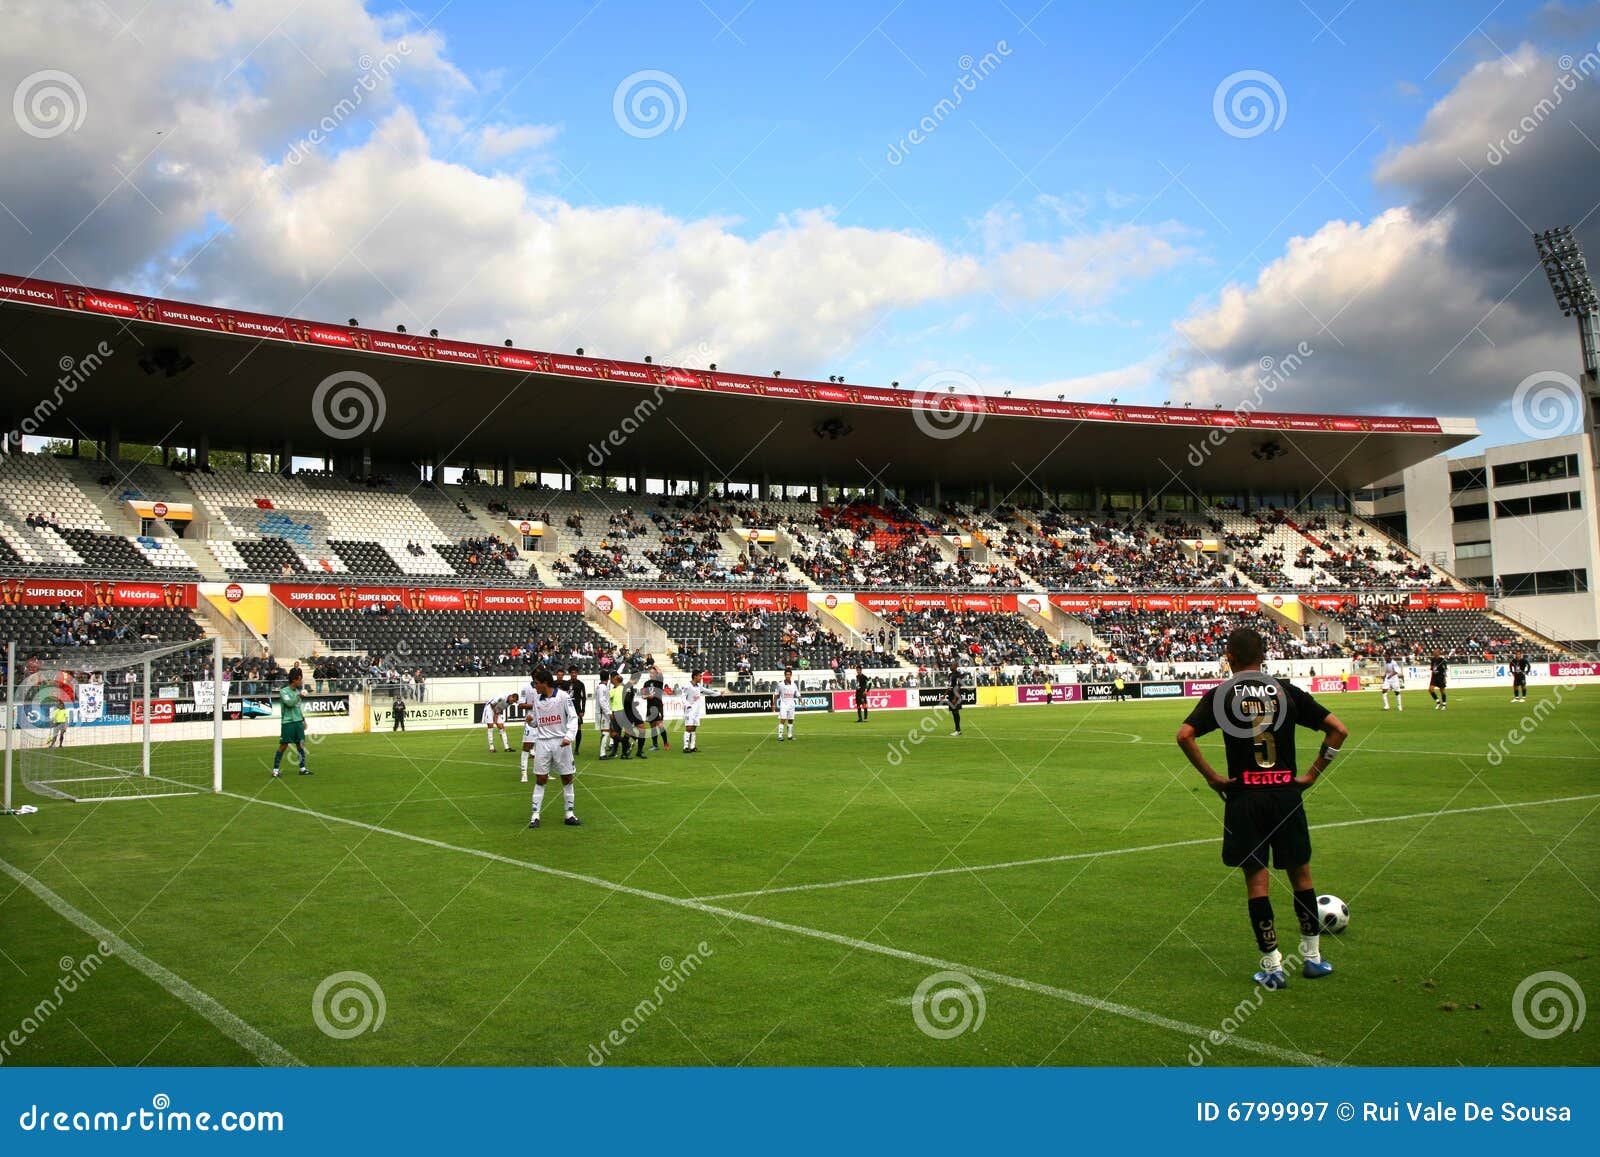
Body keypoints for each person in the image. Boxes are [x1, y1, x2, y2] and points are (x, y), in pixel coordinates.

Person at [1175, 627, 1348, 989]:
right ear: (1264, 655)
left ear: (1229, 657)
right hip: (1285, 794)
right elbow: (1338, 730)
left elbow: (1184, 735)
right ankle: (1313, 959)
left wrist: (1212, 777)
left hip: (1245, 796)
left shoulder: (1222, 695)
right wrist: (1313, 774)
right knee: (1301, 875)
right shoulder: (1286, 692)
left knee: (1258, 881)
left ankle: (1272, 966)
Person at [519, 666, 580, 829]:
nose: (534, 686)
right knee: (541, 779)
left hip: (561, 742)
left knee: (567, 778)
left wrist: (569, 737)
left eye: (536, 683)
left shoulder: (563, 697)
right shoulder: (537, 701)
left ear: (545, 683)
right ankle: (535, 815)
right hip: (543, 743)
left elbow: (573, 718)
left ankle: (569, 814)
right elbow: (537, 722)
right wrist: (531, 721)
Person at [272, 666, 311, 777]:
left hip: (298, 722)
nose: (301, 682)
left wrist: (303, 720)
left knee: (301, 745)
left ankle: (302, 769)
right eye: (300, 679)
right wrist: (299, 696)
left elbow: (298, 708)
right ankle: (275, 770)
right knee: (283, 746)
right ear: (294, 680)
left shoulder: (298, 691)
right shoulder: (284, 692)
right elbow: (289, 704)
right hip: (288, 722)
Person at [564, 666, 588, 757]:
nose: (574, 674)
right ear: (570, 673)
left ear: (577, 673)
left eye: (575, 672)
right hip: (567, 709)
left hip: (577, 710)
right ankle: (567, 747)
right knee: (566, 728)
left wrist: (583, 710)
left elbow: (584, 698)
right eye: (572, 672)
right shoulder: (566, 684)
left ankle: (577, 749)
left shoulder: (580, 684)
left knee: (578, 728)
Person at [772, 666, 799, 741]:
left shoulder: (794, 684)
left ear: (791, 675)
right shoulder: (780, 684)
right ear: (785, 675)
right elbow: (776, 694)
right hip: (783, 704)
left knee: (791, 719)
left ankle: (789, 735)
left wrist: (801, 699)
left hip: (791, 704)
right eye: (786, 674)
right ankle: (780, 735)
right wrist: (774, 704)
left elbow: (797, 693)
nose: (788, 676)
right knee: (783, 719)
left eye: (789, 674)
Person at [680, 670, 704, 753]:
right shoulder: (687, 685)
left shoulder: (699, 686)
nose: (701, 677)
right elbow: (683, 697)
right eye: (700, 676)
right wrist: (688, 705)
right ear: (695, 676)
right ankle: (685, 747)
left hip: (697, 710)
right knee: (689, 727)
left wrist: (718, 693)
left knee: (694, 728)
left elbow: (707, 690)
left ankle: (693, 746)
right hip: (689, 710)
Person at [947, 667, 963, 737]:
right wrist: (944, 695)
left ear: (955, 666)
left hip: (955, 696)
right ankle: (957, 730)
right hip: (950, 695)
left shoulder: (958, 675)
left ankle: (958, 730)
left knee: (956, 712)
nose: (950, 666)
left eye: (952, 665)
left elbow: (959, 687)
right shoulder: (950, 675)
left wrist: (955, 698)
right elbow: (949, 686)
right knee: (954, 713)